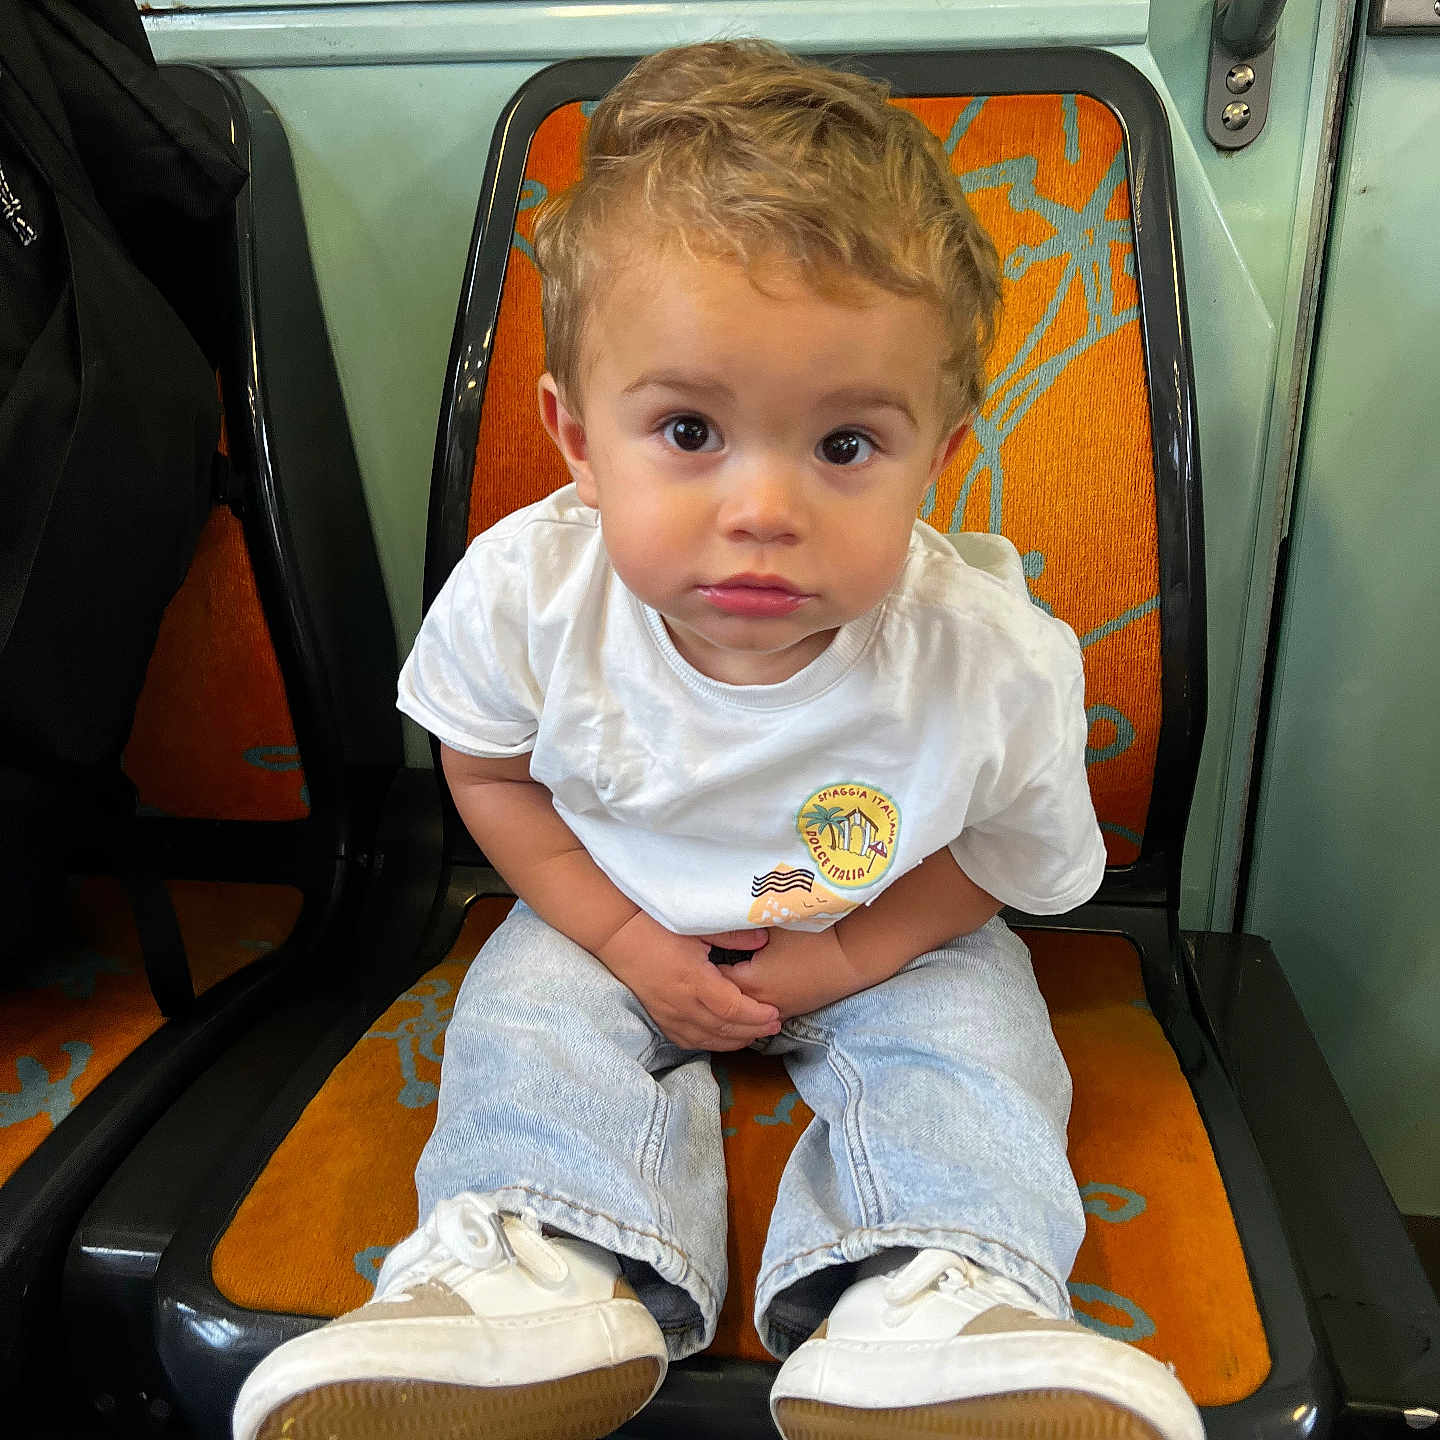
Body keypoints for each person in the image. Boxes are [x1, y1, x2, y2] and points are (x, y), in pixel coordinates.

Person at [233, 39, 1203, 1440]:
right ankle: (532, 1268)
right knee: (523, 1017)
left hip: (887, 927)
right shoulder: (526, 592)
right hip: (609, 906)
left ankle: (947, 1295)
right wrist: (624, 942)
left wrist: (852, 954)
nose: (762, 507)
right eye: (689, 428)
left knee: (979, 1038)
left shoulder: (989, 660)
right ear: (576, 437)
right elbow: (489, 774)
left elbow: (998, 862)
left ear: (942, 447)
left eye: (847, 446)